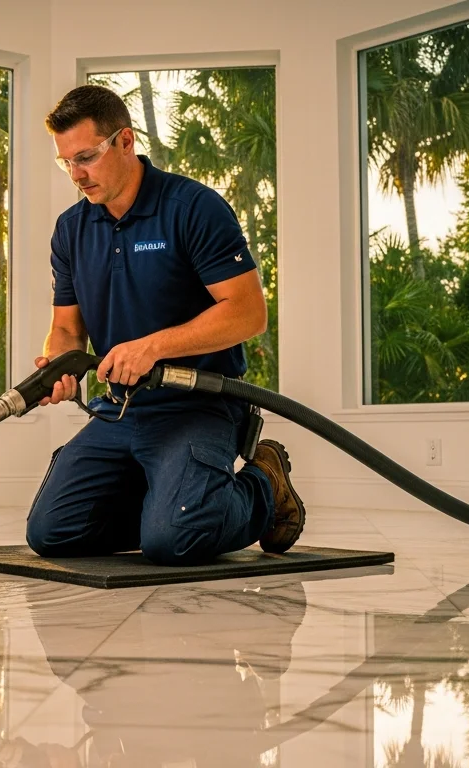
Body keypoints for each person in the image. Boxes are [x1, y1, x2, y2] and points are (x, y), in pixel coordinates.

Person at [26, 84, 305, 566]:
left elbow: (247, 312)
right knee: (52, 533)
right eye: (66, 162)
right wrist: (58, 362)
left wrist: (153, 347)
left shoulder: (192, 208)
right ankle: (172, 505)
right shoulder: (71, 230)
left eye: (86, 157)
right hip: (119, 409)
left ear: (125, 141)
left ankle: (264, 481)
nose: (77, 174)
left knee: (174, 542)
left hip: (197, 404)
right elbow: (68, 329)